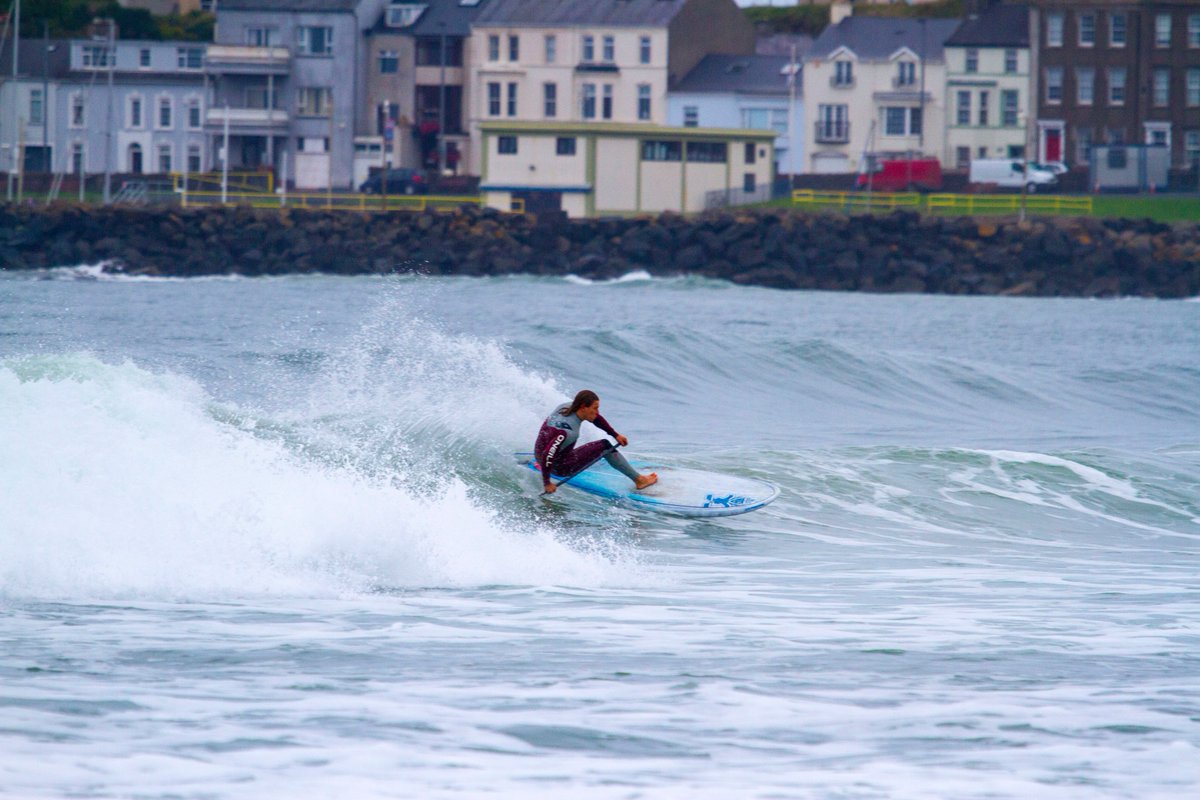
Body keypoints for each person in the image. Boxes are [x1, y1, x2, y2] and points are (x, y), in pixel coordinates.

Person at [534, 390, 658, 494]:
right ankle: (639, 480)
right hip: (558, 466)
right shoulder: (567, 432)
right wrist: (547, 483)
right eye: (595, 408)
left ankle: (543, 465)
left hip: (538, 455)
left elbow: (595, 418)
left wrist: (615, 435)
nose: (597, 412)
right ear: (583, 407)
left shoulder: (565, 407)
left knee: (555, 450)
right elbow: (548, 454)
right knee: (605, 446)